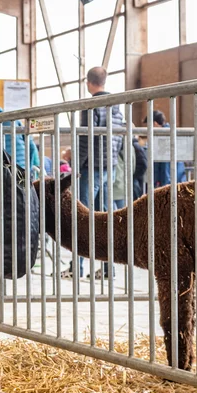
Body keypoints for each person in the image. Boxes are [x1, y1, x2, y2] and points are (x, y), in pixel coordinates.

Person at [66, 66, 124, 278]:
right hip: (110, 167)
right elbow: (119, 138)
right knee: (105, 220)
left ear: (88, 82)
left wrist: (76, 166)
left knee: (81, 218)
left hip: (91, 169)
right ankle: (109, 268)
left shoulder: (91, 106)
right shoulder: (116, 108)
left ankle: (77, 267)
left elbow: (84, 140)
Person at [150, 110, 187, 188]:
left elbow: (165, 166)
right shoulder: (172, 134)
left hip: (168, 184)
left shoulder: (164, 138)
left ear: (155, 124)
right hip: (178, 180)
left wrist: (164, 187)